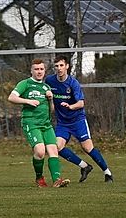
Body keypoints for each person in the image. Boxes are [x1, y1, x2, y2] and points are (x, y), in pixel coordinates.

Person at [45, 55, 113, 183]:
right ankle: (85, 166)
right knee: (57, 147)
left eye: (61, 65)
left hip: (77, 120)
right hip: (62, 122)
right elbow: (47, 98)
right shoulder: (50, 81)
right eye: (56, 66)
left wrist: (70, 106)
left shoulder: (73, 83)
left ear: (67, 66)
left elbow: (81, 103)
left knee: (87, 148)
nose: (59, 68)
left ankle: (107, 173)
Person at [9, 59, 70, 188]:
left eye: (41, 69)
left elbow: (51, 109)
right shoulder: (25, 83)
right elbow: (11, 97)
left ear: (44, 71)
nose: (39, 71)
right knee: (40, 151)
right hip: (31, 123)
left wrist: (51, 99)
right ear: (31, 70)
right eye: (36, 69)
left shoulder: (46, 87)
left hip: (46, 124)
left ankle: (57, 180)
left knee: (53, 150)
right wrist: (28, 101)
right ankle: (39, 177)